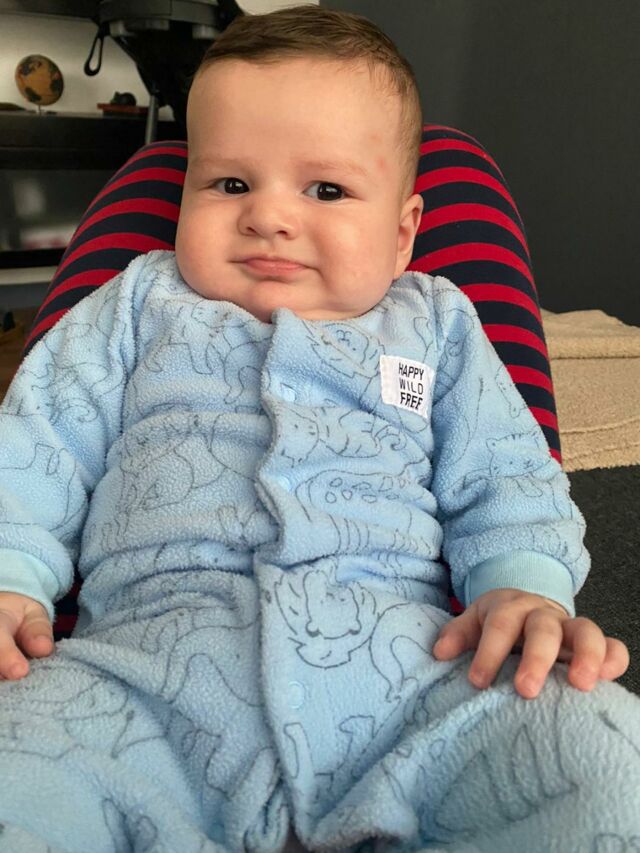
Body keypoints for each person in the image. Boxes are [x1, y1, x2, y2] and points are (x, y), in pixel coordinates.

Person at [0, 6, 637, 852]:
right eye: (231, 184)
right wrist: (11, 575)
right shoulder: (135, 306)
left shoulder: (436, 325)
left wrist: (523, 586)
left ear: (403, 234)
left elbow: (506, 469)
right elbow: (37, 442)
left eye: (326, 191)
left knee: (604, 753)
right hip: (135, 682)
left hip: (410, 678)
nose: (269, 216)